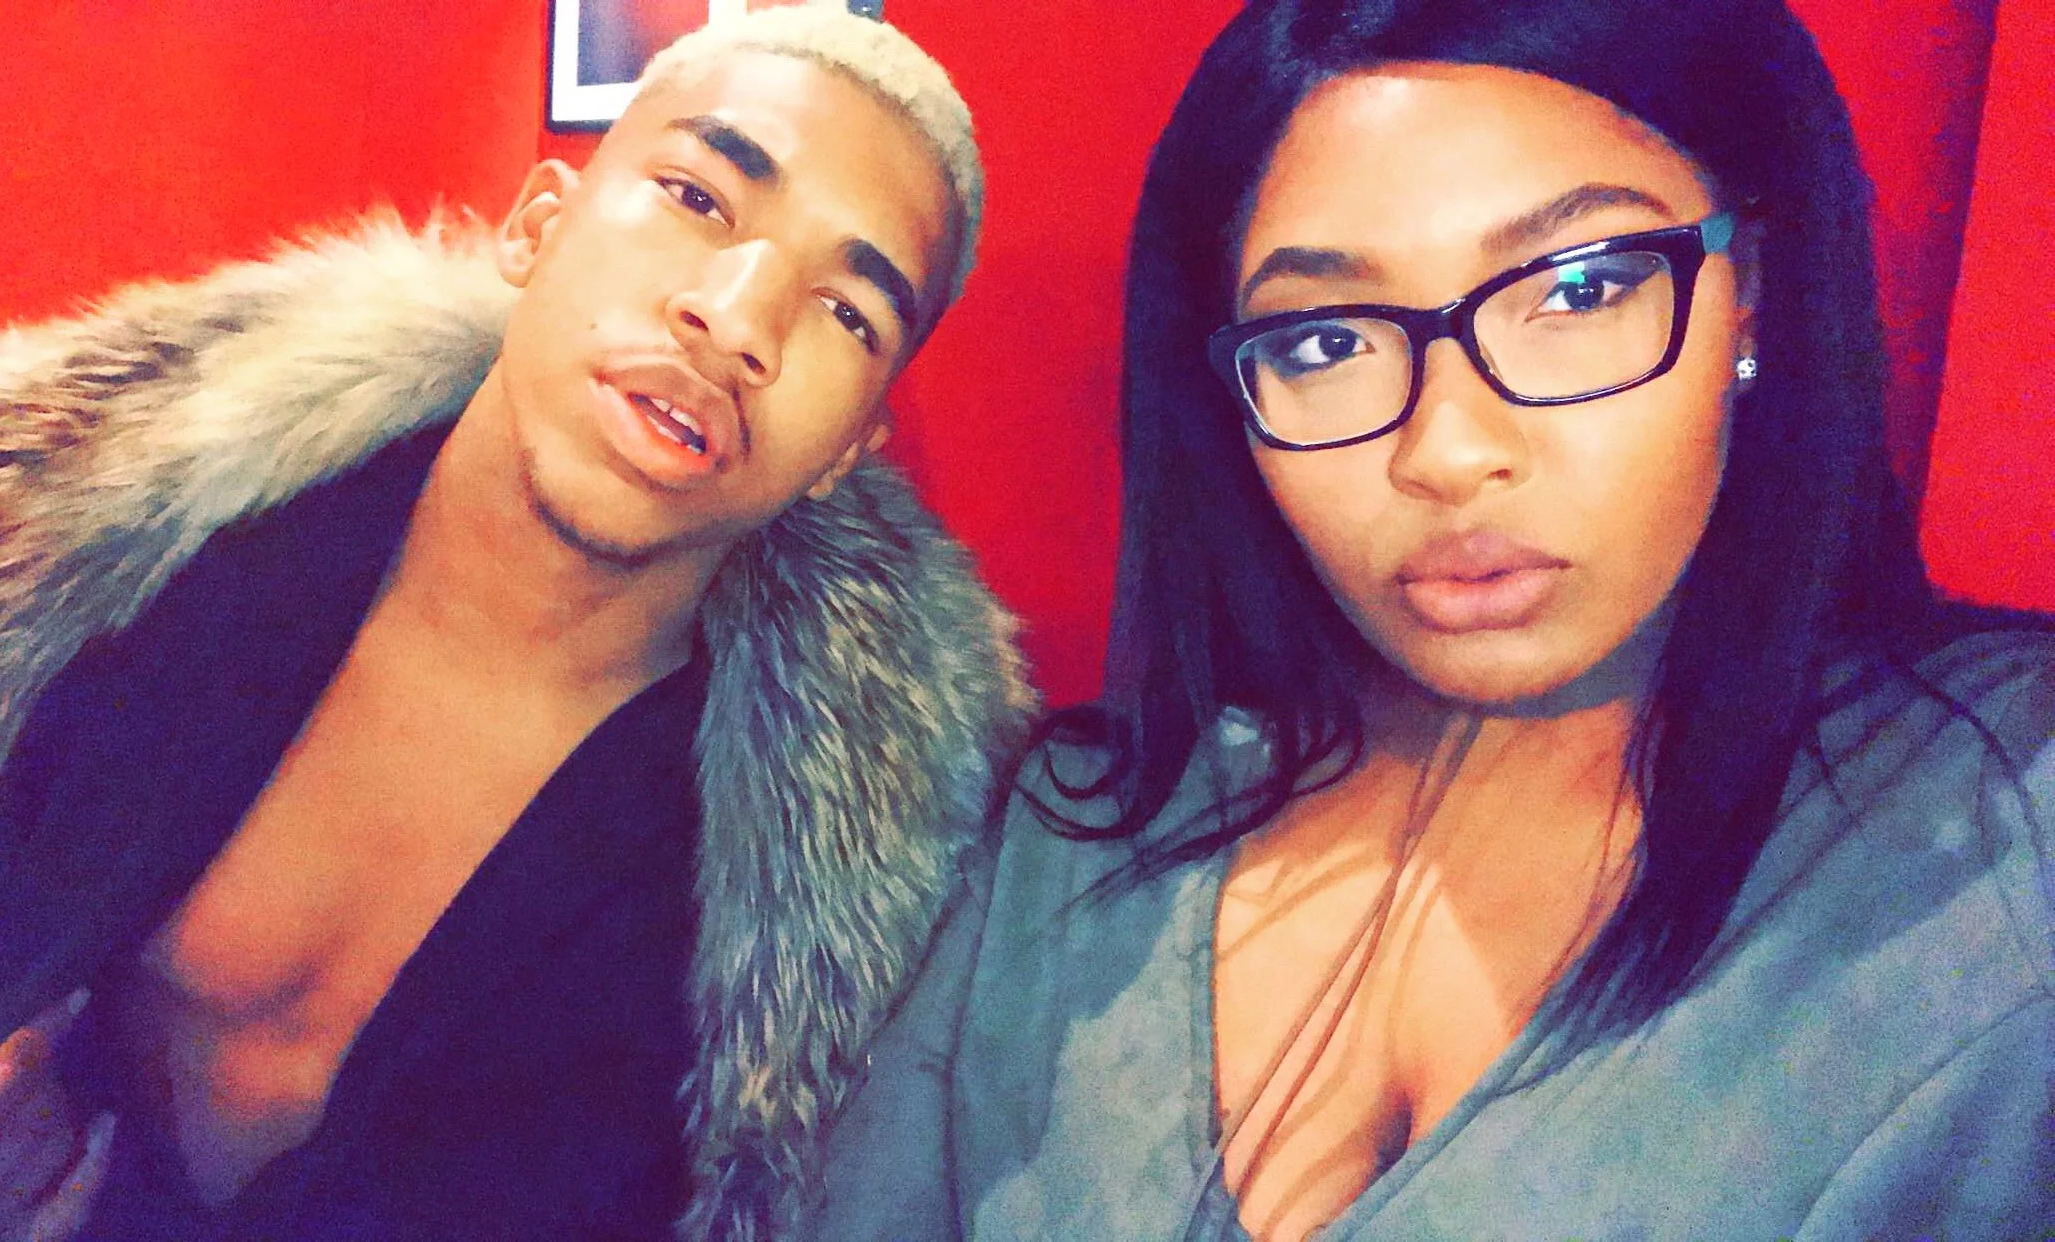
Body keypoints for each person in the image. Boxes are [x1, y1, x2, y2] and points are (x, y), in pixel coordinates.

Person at [812, 0, 2054, 1238]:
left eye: (1579, 289)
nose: (1448, 452)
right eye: (1325, 341)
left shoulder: (2002, 828)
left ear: (1753, 299)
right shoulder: (1073, 840)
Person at [0, 8, 1028, 1239]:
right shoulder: (101, 551)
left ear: (847, 449)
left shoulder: (831, 917)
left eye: (850, 312)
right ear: (539, 227)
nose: (739, 320)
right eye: (697, 196)